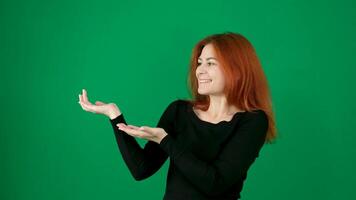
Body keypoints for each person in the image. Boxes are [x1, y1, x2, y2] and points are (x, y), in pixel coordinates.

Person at [78, 32, 277, 200]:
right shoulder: (179, 112)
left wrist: (165, 140)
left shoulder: (253, 121)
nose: (200, 70)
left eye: (211, 63)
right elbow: (141, 169)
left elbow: (215, 183)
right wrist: (114, 116)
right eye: (200, 62)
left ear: (237, 71)